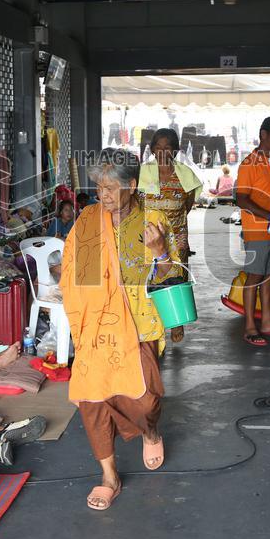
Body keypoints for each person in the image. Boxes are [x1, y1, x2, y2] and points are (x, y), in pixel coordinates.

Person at [60, 148, 180, 511]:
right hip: (98, 326)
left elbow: (173, 279)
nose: (104, 195)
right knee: (93, 400)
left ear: (132, 185)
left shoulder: (153, 219)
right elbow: (77, 274)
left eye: (112, 187)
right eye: (99, 187)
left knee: (144, 398)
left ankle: (150, 429)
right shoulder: (88, 219)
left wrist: (159, 253)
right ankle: (109, 476)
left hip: (141, 323)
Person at [138, 128, 201, 344]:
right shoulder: (143, 172)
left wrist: (173, 222)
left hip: (177, 235)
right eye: (159, 147)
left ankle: (176, 322)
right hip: (148, 235)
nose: (163, 151)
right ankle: (151, 324)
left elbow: (189, 202)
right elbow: (135, 202)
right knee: (149, 276)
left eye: (168, 147)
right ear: (152, 149)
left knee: (174, 276)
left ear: (175, 150)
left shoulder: (184, 173)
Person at [234, 116, 270, 346]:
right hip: (257, 231)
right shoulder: (249, 163)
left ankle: (267, 322)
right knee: (255, 277)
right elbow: (242, 199)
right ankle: (249, 327)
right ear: (263, 135)